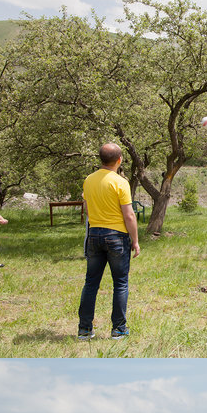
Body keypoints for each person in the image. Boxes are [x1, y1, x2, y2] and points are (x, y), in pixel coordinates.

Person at [78, 142, 140, 341]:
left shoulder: (88, 180)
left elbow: (86, 208)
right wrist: (136, 241)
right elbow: (129, 215)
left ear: (101, 159)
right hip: (117, 237)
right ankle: (119, 329)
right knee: (120, 284)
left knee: (91, 284)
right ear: (119, 160)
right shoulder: (121, 182)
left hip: (94, 234)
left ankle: (85, 330)